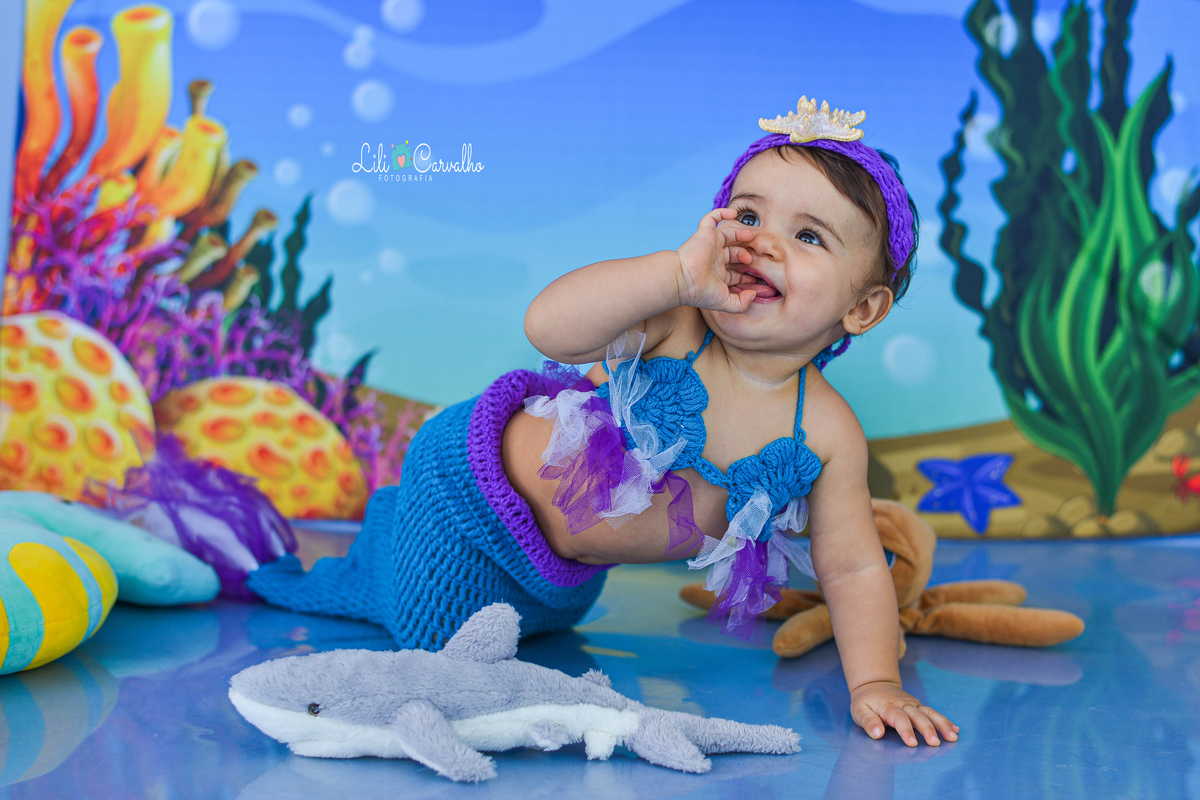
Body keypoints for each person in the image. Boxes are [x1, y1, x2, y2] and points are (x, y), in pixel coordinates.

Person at [249, 98, 959, 747]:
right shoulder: (679, 324)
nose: (763, 241)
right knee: (445, 663)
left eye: (807, 235)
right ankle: (375, 543)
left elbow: (854, 564)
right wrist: (674, 275)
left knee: (530, 643)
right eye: (747, 216)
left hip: (563, 577)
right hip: (465, 492)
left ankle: (380, 544)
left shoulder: (828, 433)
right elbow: (549, 328)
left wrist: (876, 684)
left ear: (862, 310)